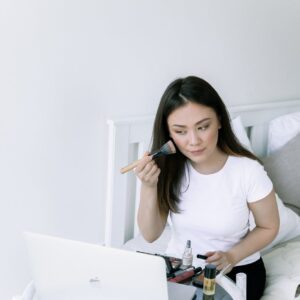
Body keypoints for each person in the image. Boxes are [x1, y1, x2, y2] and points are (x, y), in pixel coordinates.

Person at [135, 76, 279, 300]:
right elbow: (150, 234)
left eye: (202, 127)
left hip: (236, 271)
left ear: (219, 121)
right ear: (169, 133)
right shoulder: (168, 169)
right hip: (181, 270)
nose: (194, 141)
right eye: (181, 131)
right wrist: (148, 186)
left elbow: (269, 226)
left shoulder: (248, 171)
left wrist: (231, 256)